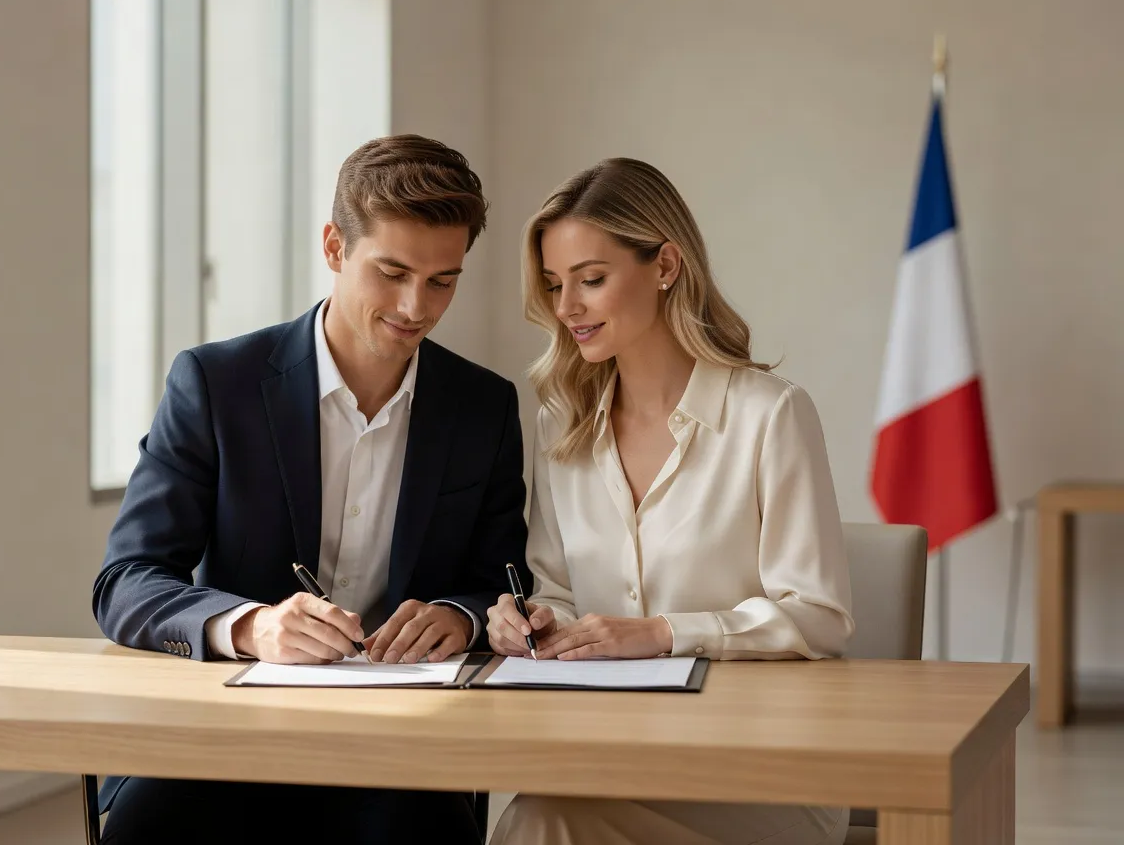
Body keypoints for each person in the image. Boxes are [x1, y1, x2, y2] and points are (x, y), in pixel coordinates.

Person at [92, 134, 529, 844]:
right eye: (391, 272)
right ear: (334, 247)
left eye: (442, 280)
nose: (416, 306)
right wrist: (251, 626)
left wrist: (460, 614)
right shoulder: (215, 384)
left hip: (403, 749)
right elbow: (127, 581)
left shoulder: (483, 407)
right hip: (226, 735)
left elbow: (503, 579)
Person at [485, 158, 855, 845]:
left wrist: (662, 633)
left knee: (543, 823)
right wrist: (532, 620)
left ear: (665, 265)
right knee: (543, 812)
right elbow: (558, 590)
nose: (567, 308)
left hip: (759, 767)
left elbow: (821, 617)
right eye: (555, 285)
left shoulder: (770, 415)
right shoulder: (560, 423)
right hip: (608, 758)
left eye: (591, 280)